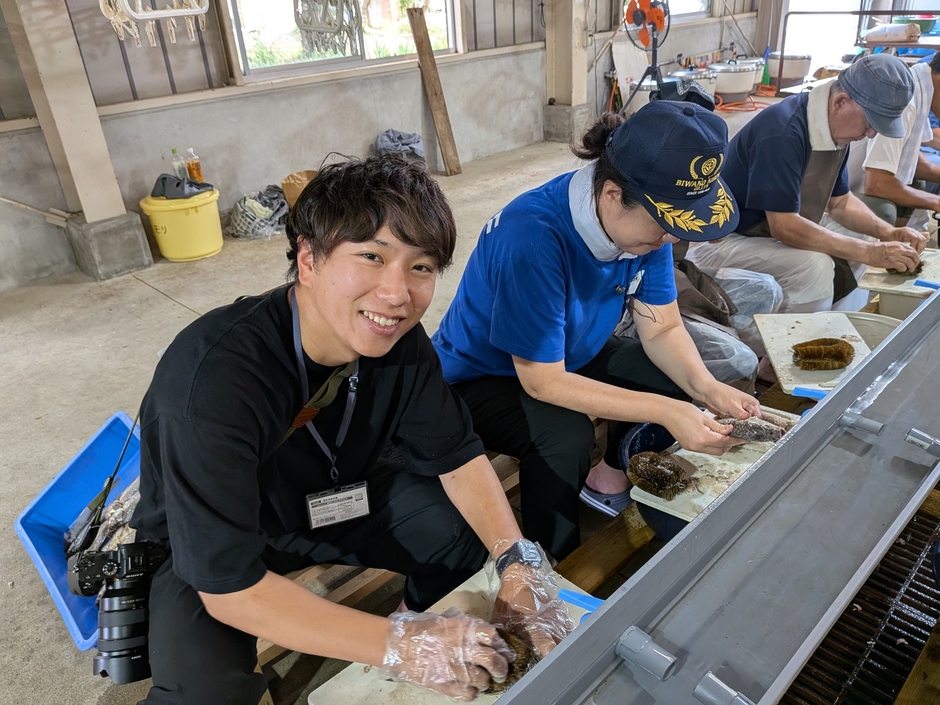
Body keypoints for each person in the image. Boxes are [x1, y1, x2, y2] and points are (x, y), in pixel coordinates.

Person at [130, 154, 572, 705]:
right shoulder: (213, 382)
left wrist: (517, 560)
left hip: (328, 500)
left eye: (422, 267)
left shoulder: (399, 341)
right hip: (210, 539)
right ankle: (412, 642)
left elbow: (457, 456)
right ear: (308, 259)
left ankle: (425, 630)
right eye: (371, 256)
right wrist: (398, 644)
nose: (397, 294)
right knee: (202, 694)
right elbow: (229, 588)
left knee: (455, 537)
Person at [431, 101, 762, 562]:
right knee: (564, 435)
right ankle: (553, 558)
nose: (670, 240)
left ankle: (606, 480)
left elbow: (663, 327)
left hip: (567, 353)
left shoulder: (644, 227)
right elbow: (541, 382)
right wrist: (668, 411)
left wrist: (706, 389)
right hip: (483, 376)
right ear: (611, 195)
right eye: (665, 226)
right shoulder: (533, 238)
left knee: (674, 375)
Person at [685, 53, 927, 314]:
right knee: (815, 266)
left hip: (765, 232)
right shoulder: (782, 132)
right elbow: (785, 227)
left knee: (865, 233)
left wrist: (887, 234)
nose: (870, 134)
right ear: (841, 102)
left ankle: (835, 319)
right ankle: (791, 343)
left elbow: (840, 203)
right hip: (723, 241)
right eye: (870, 123)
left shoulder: (835, 128)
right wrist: (870, 253)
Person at [857, 51, 940, 227]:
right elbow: (877, 184)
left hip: (866, 179)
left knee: (916, 182)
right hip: (845, 190)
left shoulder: (919, 85)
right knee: (885, 209)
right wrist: (936, 202)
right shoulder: (905, 100)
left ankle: (899, 240)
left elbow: (912, 164)